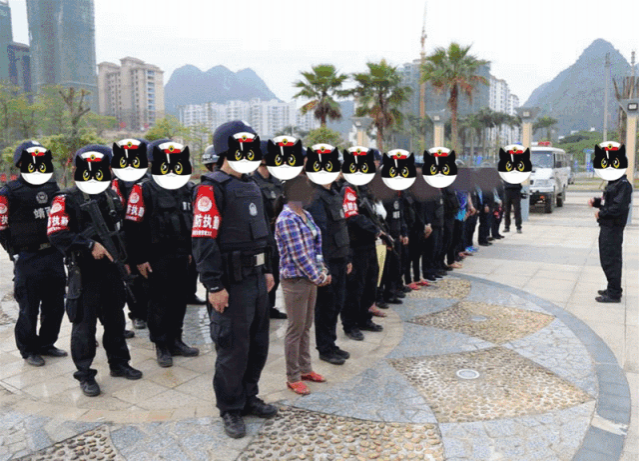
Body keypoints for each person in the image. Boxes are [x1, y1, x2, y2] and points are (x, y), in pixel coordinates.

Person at [192, 121, 277, 439]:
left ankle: (249, 397)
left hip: (256, 280)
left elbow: (263, 236)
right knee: (232, 349)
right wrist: (214, 285)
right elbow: (203, 240)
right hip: (230, 283)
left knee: (257, 345)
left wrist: (268, 269)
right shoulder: (211, 187)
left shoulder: (252, 185)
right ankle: (230, 408)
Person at [47, 144, 142, 397]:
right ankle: (85, 374)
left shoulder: (111, 196)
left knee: (115, 320)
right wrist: (89, 244)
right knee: (84, 326)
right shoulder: (65, 198)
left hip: (111, 270)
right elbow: (56, 233)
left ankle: (119, 363)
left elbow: (121, 231)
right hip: (84, 272)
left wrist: (126, 258)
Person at [124, 139, 200, 368]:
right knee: (159, 302)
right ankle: (162, 346)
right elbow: (132, 226)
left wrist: (190, 252)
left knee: (179, 300)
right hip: (155, 258)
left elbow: (191, 223)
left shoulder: (186, 188)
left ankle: (176, 340)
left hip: (182, 256)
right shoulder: (143, 189)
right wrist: (138, 259)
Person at [0, 141, 67, 367]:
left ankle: (47, 343)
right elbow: (2, 227)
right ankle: (28, 350)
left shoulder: (52, 188)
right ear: (20, 163)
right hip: (28, 258)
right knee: (29, 307)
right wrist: (14, 253)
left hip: (53, 255)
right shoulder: (9, 192)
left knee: (55, 305)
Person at [276, 184, 330, 395]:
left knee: (306, 325)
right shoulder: (287, 219)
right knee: (295, 328)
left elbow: (316, 245)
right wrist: (318, 276)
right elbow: (299, 255)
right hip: (296, 280)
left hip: (310, 277)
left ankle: (306, 369)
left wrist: (321, 267)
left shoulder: (305, 214)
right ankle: (293, 376)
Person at [306, 175, 352, 365]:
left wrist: (347, 257)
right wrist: (322, 267)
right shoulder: (315, 197)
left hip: (340, 258)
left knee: (336, 304)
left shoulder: (333, 193)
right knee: (325, 306)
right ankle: (324, 348)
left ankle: (331, 344)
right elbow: (319, 235)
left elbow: (342, 227)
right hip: (328, 261)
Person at [252, 142, 287, 320]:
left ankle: (271, 306)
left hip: (279, 235)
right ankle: (262, 308)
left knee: (276, 272)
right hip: (263, 236)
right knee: (264, 273)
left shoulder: (277, 182)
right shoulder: (253, 182)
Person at [588, 173, 632, 303]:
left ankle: (614, 294)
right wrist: (596, 202)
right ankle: (612, 287)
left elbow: (617, 208)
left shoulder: (623, 185)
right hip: (607, 226)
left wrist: (601, 214)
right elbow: (607, 201)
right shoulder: (614, 182)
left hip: (613, 227)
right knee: (607, 258)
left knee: (611, 259)